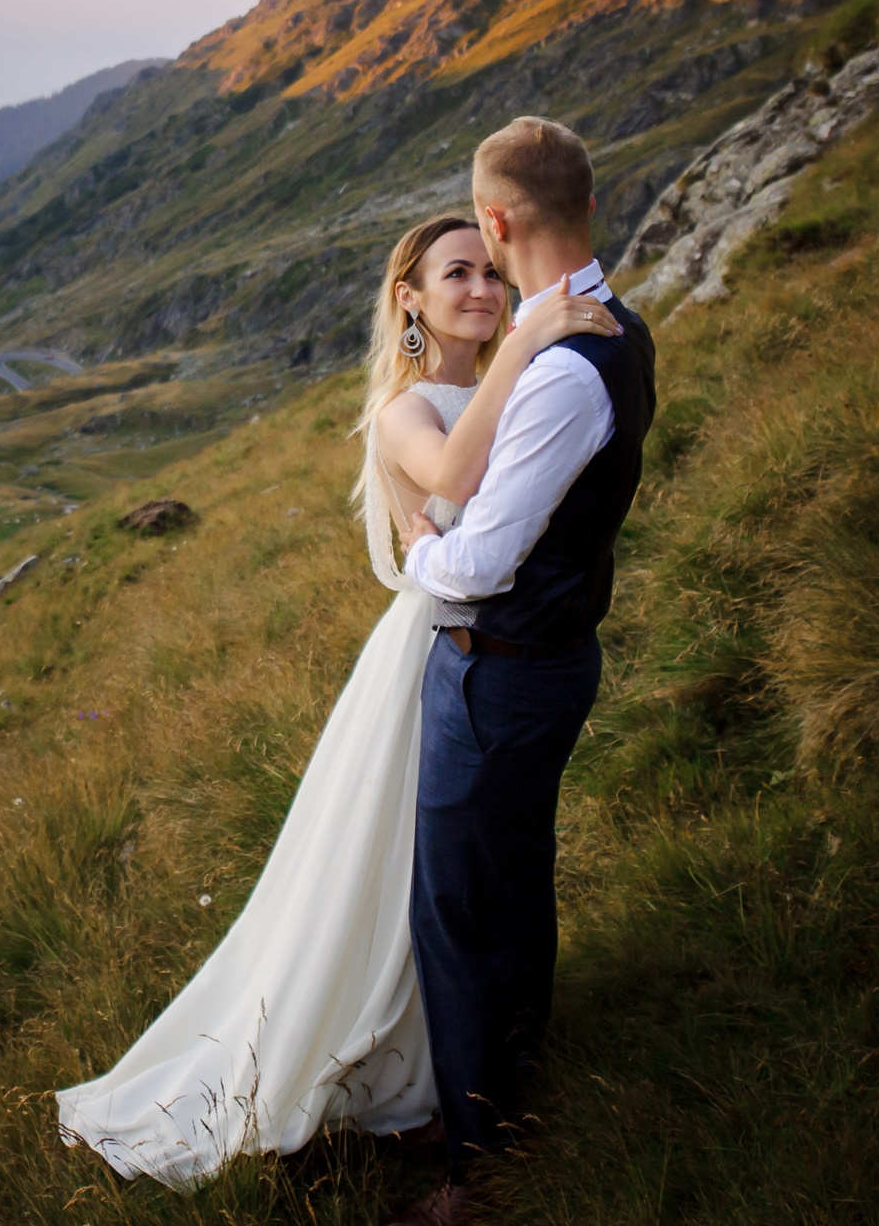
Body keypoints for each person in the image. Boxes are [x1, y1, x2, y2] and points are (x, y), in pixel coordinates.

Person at [54, 210, 622, 1187]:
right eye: (457, 275)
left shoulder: (501, 379)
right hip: (434, 647)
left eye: (492, 274)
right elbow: (454, 473)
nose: (483, 290)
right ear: (410, 300)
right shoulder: (406, 405)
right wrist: (530, 339)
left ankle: (467, 1049)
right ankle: (402, 1064)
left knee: (462, 866)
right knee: (408, 866)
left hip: (486, 641)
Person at [394, 115, 656, 1226]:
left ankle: (474, 1166)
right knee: (512, 884)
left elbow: (480, 563)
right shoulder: (620, 327)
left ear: (494, 221)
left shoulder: (559, 371)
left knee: (458, 914)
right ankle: (510, 1078)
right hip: (551, 658)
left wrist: (420, 552)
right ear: (587, 202)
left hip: (498, 671)